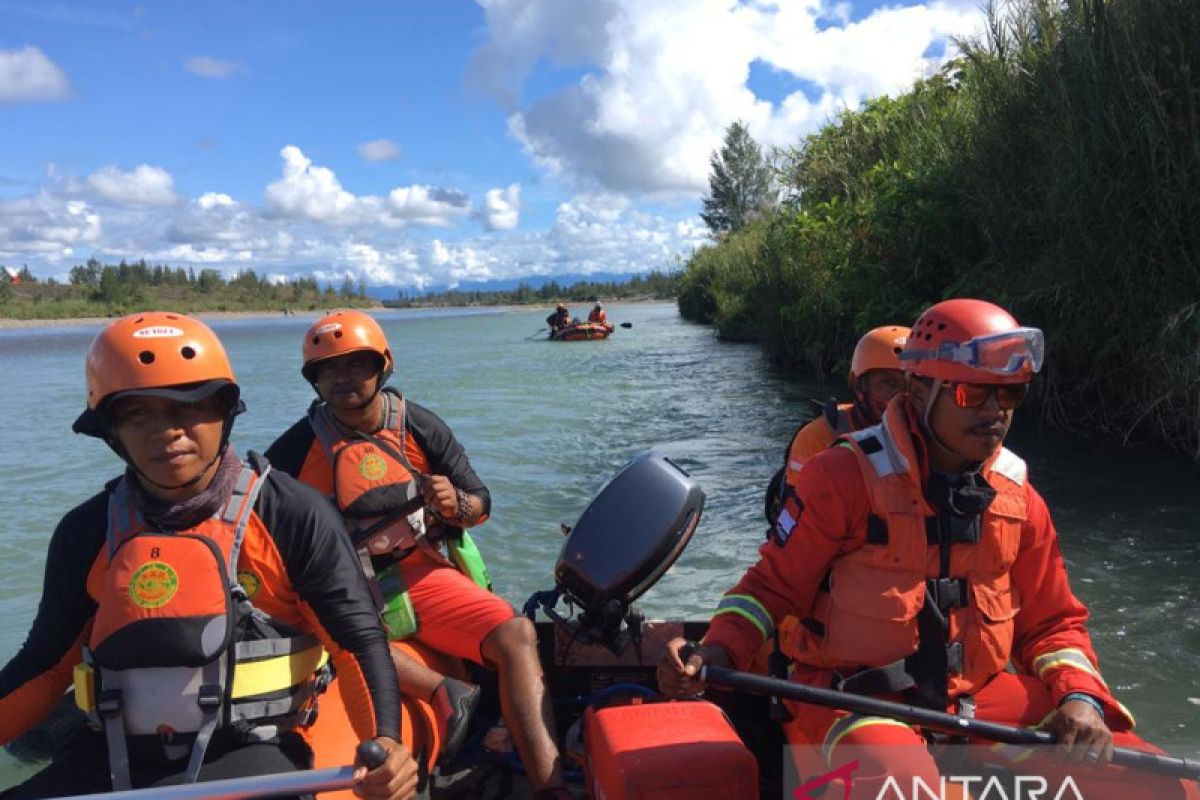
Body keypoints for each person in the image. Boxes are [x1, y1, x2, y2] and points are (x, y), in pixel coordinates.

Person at [660, 299, 1198, 800]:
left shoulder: (1020, 497)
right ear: (919, 391)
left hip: (976, 701)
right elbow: (768, 588)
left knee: (1153, 780)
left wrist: (1079, 698)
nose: (995, 412)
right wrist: (717, 651)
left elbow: (1054, 625)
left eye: (1009, 394)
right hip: (852, 702)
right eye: (972, 394)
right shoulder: (840, 476)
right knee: (900, 785)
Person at [0, 312, 418, 800]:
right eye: (139, 413)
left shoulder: (292, 514)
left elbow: (356, 644)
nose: (167, 431)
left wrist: (386, 743)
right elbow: (45, 667)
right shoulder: (87, 530)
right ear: (111, 430)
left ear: (225, 411)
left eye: (189, 407)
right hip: (108, 756)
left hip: (249, 749)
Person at [265, 310, 570, 799]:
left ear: (383, 367)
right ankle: (440, 689)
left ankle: (550, 787)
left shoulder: (418, 425)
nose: (343, 377)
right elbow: (262, 533)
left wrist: (458, 503)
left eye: (356, 364)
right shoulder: (294, 449)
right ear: (314, 380)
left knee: (516, 632)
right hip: (336, 589)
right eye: (328, 369)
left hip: (414, 571)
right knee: (347, 644)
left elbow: (480, 501)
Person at [756, 325, 909, 679]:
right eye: (888, 384)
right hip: (832, 584)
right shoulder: (819, 439)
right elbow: (800, 536)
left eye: (909, 384)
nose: (902, 398)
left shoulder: (931, 443)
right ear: (860, 387)